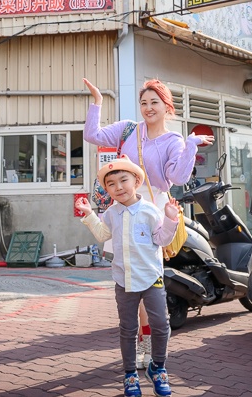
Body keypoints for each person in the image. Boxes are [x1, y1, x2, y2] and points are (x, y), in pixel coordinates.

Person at [83, 77, 214, 366]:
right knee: (131, 284)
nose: (148, 107)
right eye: (144, 102)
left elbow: (178, 178)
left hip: (153, 212)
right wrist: (97, 102)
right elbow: (92, 135)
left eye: (154, 102)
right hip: (122, 207)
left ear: (167, 106)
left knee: (147, 284)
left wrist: (191, 145)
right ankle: (141, 341)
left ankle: (146, 344)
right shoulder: (128, 129)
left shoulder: (173, 141)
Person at [75, 156, 179, 397]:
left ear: (136, 181)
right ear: (107, 189)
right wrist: (90, 214)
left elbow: (162, 239)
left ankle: (158, 367)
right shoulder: (111, 213)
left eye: (124, 180)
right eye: (111, 184)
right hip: (124, 280)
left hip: (152, 277)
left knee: (161, 325)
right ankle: (130, 374)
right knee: (128, 328)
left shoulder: (150, 211)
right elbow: (102, 235)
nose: (118, 187)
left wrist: (172, 219)